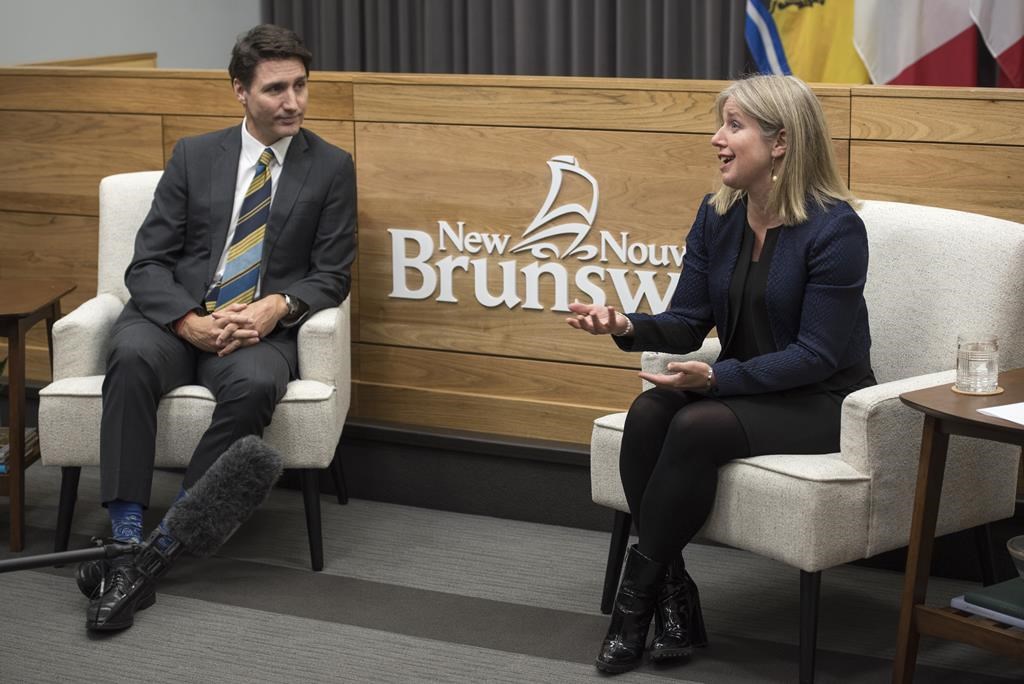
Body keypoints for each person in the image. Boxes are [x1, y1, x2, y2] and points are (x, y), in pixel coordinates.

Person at [567, 74, 875, 674]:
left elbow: (816, 355)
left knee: (696, 426)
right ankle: (674, 589)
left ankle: (635, 609)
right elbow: (686, 323)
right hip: (751, 390)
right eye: (721, 124)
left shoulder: (836, 229)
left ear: (780, 141)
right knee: (649, 411)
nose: (717, 139)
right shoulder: (718, 216)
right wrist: (623, 325)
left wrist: (713, 381)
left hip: (823, 400)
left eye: (734, 125)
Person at [78, 24, 357, 632]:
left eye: (301, 86)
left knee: (257, 385)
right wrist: (187, 320)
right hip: (180, 317)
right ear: (240, 91)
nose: (293, 102)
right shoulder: (194, 155)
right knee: (127, 356)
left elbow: (332, 275)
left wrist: (276, 305)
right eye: (276, 89)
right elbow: (146, 262)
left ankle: (166, 543)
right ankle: (126, 534)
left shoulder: (332, 167)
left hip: (259, 330)